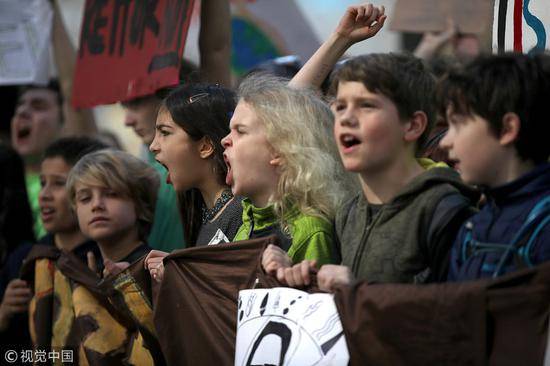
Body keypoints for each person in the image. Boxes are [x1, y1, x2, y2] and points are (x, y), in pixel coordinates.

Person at [264, 3, 477, 290]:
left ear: (412, 125)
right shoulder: (349, 211)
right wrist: (302, 279)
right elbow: (283, 118)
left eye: (366, 106)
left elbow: (452, 315)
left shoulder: (446, 210)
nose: (346, 118)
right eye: (339, 107)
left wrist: (360, 288)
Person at [120, 0, 232, 253]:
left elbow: (216, 50)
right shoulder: (155, 169)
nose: (127, 120)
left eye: (136, 103)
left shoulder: (238, 210)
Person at [439, 53, 550, 281]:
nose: (444, 141)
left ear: (506, 129)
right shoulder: (473, 227)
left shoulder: (543, 226)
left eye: (457, 124)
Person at [222, 74, 349, 267]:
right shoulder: (249, 217)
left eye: (240, 131)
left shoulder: (311, 233)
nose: (225, 140)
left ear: (280, 149)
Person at [0, 137, 106, 351]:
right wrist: (4, 312)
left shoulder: (105, 257)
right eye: (42, 183)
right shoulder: (24, 257)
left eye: (59, 183)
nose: (44, 195)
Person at [11, 0, 97, 239]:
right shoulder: (7, 174)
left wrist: (51, 9)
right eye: (19, 106)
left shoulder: (78, 171)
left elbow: (73, 91)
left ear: (63, 121)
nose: (23, 113)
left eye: (38, 106)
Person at [145, 84, 242, 281]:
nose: (153, 146)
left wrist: (183, 275)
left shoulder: (244, 212)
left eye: (165, 132)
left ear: (205, 146)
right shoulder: (206, 218)